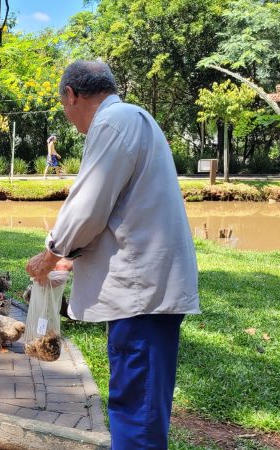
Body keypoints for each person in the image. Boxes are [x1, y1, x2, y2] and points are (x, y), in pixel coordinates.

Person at [25, 60, 200, 449]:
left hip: (141, 296)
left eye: (64, 106)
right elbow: (120, 212)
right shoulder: (132, 120)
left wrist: (52, 254)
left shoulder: (112, 123)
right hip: (145, 292)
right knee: (137, 402)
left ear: (71, 95)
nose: (69, 119)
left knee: (137, 409)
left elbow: (88, 207)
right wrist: (75, 255)